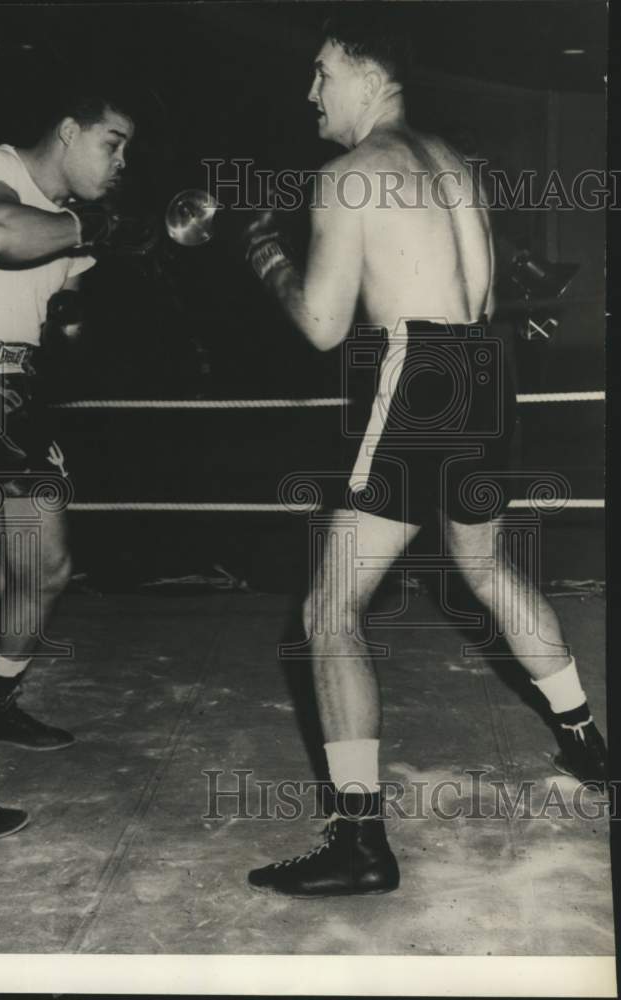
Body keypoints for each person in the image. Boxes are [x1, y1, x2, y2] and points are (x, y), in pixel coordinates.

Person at [241, 12, 608, 897]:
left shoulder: (351, 174)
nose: (309, 93)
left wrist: (263, 259)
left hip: (423, 381)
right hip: (487, 372)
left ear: (367, 78)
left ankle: (359, 842)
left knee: (326, 613)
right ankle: (584, 738)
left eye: (321, 73)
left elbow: (325, 327)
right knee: (481, 565)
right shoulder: (453, 164)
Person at [0, 92, 136, 839]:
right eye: (112, 144)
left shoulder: (73, 232)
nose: (120, 163)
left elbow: (67, 324)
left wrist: (108, 288)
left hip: (16, 392)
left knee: (46, 565)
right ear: (70, 132)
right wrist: (93, 227)